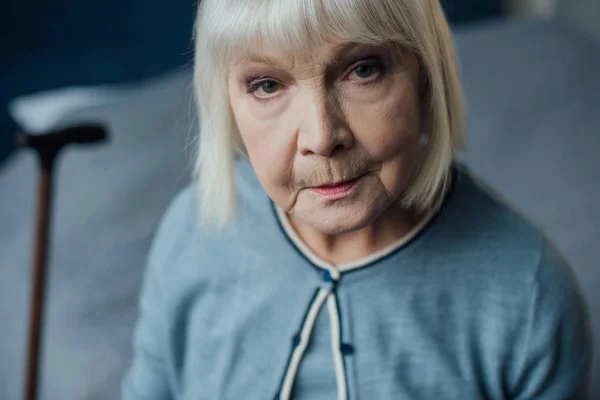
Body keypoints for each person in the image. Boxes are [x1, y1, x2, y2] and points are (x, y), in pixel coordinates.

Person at [122, 0, 592, 398]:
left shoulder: (529, 296)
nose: (322, 137)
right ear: (225, 102)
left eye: (362, 71)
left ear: (425, 78)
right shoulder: (193, 232)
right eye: (267, 85)